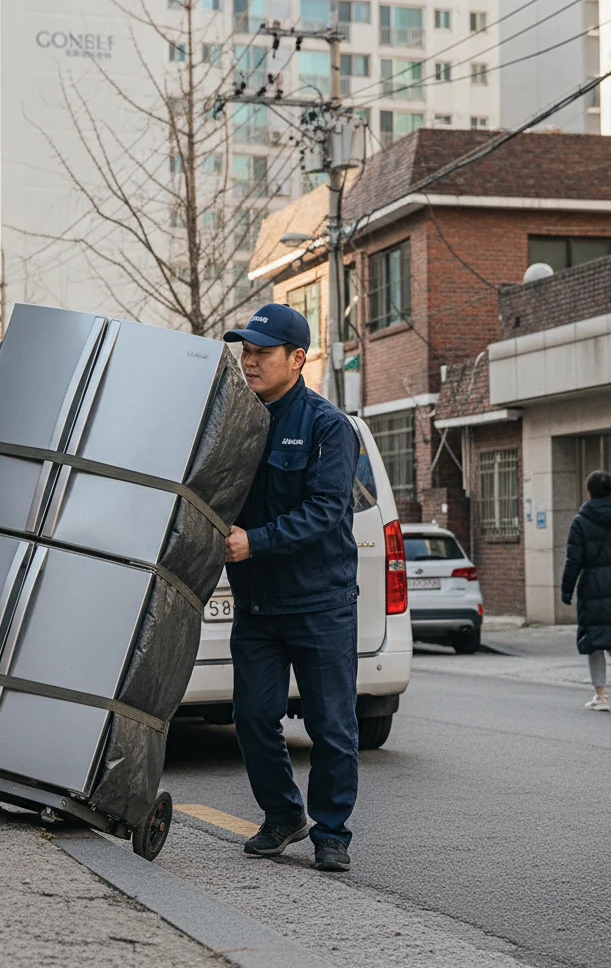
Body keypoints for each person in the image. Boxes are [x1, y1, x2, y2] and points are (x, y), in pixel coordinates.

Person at [223, 303, 361, 872]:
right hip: (257, 606)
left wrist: (255, 541)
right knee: (254, 717)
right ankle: (283, 815)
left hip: (319, 603)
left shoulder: (327, 426)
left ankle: (331, 831)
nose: (249, 362)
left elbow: (326, 510)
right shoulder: (234, 422)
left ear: (297, 358)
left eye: (261, 353)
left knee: (331, 726)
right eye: (245, 352)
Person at [561, 469, 611, 711]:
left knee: (594, 639)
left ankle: (601, 696)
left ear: (588, 492)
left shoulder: (581, 522)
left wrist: (566, 590)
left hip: (594, 585)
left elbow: (573, 560)